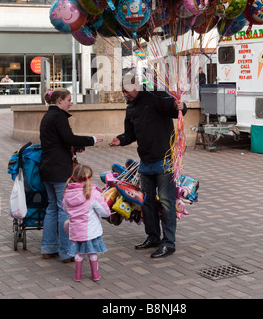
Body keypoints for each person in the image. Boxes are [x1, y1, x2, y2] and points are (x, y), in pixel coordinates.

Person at [109, 74, 187, 258]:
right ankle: (153, 237)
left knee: (167, 203)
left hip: (165, 159)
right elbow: (130, 134)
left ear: (135, 86)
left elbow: (176, 110)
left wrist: (182, 107)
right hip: (145, 161)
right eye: (122, 92)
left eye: (126, 91)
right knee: (147, 202)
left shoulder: (156, 96)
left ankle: (169, 243)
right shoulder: (131, 108)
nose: (124, 95)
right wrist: (119, 140)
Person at [39, 88, 103, 263]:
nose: (71, 103)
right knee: (63, 209)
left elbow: (58, 141)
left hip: (46, 169)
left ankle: (48, 247)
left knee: (52, 208)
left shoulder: (47, 116)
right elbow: (69, 138)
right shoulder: (59, 117)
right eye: (68, 99)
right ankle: (66, 251)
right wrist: (93, 139)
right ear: (59, 101)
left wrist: (73, 147)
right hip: (60, 170)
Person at [63, 164, 110, 282]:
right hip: (91, 231)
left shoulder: (68, 193)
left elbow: (65, 208)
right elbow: (105, 212)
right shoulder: (93, 193)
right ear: (90, 178)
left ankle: (77, 275)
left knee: (78, 254)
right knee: (92, 253)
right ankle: (95, 274)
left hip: (76, 231)